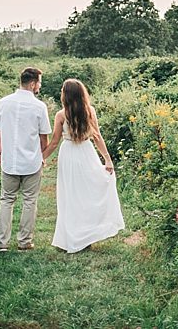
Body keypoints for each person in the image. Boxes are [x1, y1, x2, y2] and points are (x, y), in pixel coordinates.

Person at [42, 78, 125, 253]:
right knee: (88, 193)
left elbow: (55, 142)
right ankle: (85, 235)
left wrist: (42, 157)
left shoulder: (60, 114)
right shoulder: (90, 111)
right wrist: (107, 160)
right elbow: (97, 137)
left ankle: (75, 235)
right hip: (87, 152)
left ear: (66, 95)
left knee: (71, 195)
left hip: (69, 154)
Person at [0, 66, 50, 252]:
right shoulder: (39, 106)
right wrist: (43, 155)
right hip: (31, 161)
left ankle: (3, 243)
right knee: (29, 200)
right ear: (33, 84)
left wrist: (0, 152)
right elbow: (43, 136)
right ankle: (25, 242)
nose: (39, 86)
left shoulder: (3, 102)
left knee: (6, 200)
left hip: (9, 161)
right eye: (39, 82)